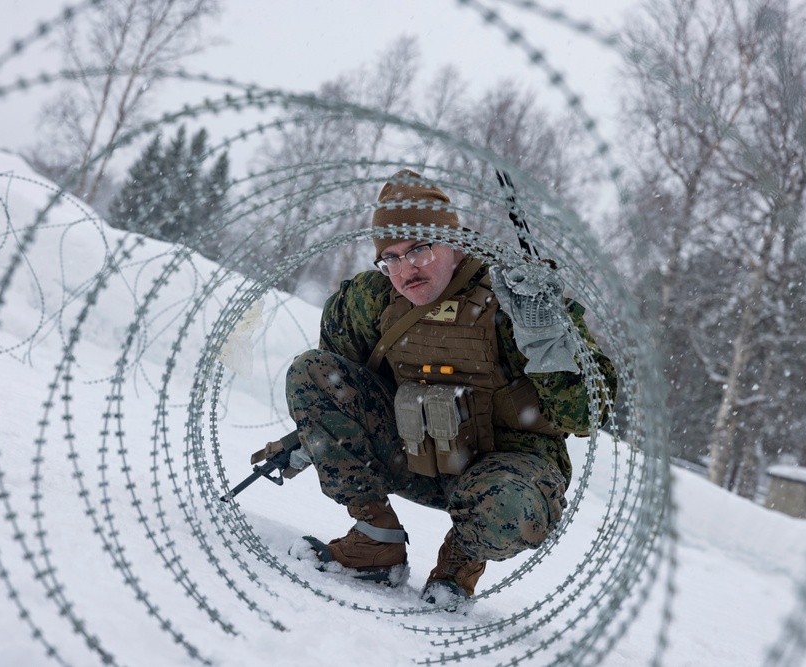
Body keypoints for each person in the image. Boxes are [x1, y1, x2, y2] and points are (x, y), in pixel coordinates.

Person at [252, 169, 617, 608]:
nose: (405, 269)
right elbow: (340, 387)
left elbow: (590, 412)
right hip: (411, 455)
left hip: (499, 474)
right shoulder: (370, 301)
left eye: (420, 248)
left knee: (510, 506)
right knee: (311, 369)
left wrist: (547, 339)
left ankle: (458, 565)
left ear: (454, 240)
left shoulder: (518, 301)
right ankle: (375, 539)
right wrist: (307, 439)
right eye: (390, 257)